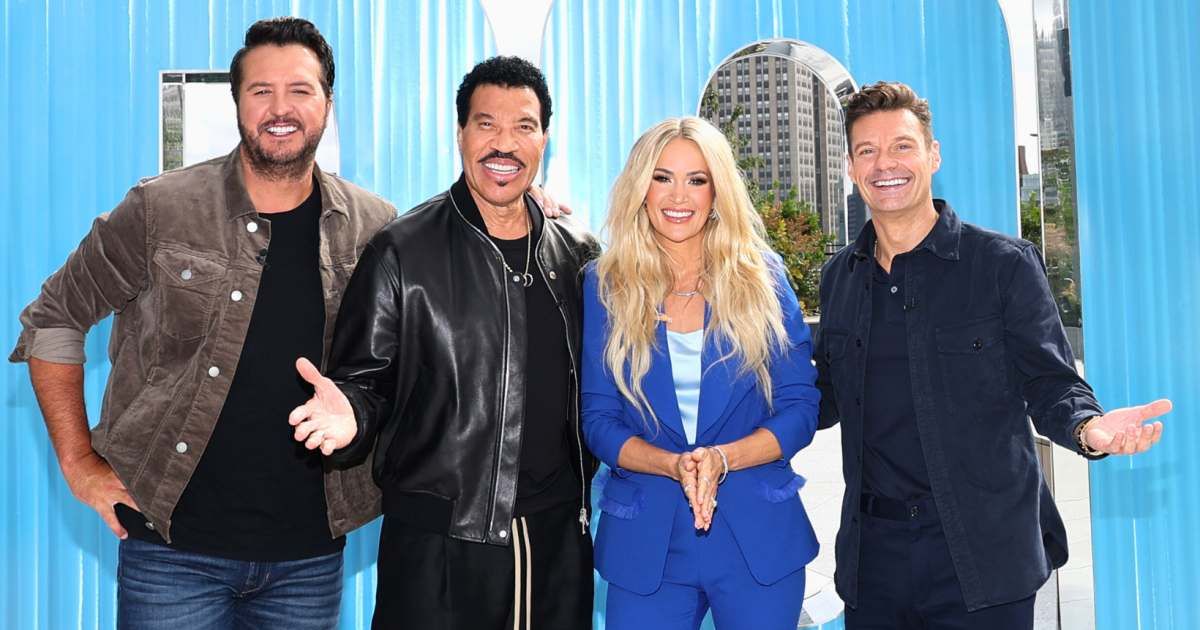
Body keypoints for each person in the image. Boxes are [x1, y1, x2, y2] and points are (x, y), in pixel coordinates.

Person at [9, 17, 394, 629]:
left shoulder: (375, 227)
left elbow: (413, 341)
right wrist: (80, 464)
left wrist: (527, 206)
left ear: (327, 103)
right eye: (261, 91)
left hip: (310, 557)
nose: (280, 107)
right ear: (237, 103)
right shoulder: (160, 209)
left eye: (300, 89)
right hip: (172, 553)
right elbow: (53, 319)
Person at [815, 81, 1170, 629]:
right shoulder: (839, 277)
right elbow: (822, 398)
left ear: (933, 154)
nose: (886, 163)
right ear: (850, 166)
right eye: (868, 150)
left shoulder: (1003, 265)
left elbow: (1051, 384)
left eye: (902, 146)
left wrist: (1088, 427)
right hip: (873, 561)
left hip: (981, 556)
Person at [286, 56, 599, 629]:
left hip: (560, 542)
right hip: (439, 551)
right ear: (459, 134)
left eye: (523, 127)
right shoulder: (401, 252)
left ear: (544, 140)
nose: (504, 144)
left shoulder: (578, 255)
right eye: (486, 124)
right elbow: (363, 384)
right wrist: (351, 417)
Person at [579, 116, 822, 630]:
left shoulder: (763, 276)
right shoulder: (604, 284)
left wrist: (721, 458)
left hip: (758, 541)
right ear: (639, 186)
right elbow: (598, 420)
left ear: (718, 191)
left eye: (697, 179)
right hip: (646, 545)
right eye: (662, 176)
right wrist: (672, 465)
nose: (678, 196)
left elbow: (800, 409)